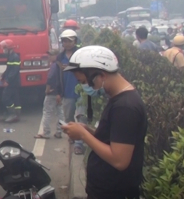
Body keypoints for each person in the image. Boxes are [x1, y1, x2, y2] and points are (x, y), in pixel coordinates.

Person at [62, 46, 147, 199]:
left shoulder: (125, 107)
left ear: (100, 74)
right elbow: (114, 140)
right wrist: (88, 131)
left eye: (85, 82)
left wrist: (83, 135)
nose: (87, 87)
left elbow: (120, 160)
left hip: (114, 193)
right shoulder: (118, 99)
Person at [49, 29, 84, 154]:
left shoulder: (80, 55)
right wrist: (58, 93)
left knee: (81, 116)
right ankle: (73, 136)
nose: (67, 43)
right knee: (69, 117)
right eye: (65, 41)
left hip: (82, 92)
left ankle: (79, 144)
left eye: (69, 41)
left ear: (75, 41)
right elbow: (58, 76)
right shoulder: (60, 57)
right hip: (67, 92)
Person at [34, 65, 64, 139]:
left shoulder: (54, 67)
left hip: (52, 93)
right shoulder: (62, 67)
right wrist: (59, 93)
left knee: (47, 112)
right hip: (60, 93)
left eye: (51, 55)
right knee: (60, 113)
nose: (49, 57)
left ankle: (46, 132)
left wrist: (47, 90)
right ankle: (59, 132)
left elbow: (50, 79)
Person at [0, 39, 21, 123]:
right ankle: (17, 114)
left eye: (4, 48)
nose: (3, 50)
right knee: (15, 98)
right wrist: (3, 76)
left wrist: (7, 81)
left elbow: (14, 71)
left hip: (13, 82)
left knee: (5, 98)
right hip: (14, 82)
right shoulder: (11, 57)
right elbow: (9, 69)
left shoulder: (14, 57)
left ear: (9, 48)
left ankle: (12, 114)